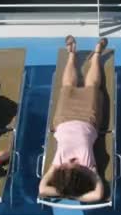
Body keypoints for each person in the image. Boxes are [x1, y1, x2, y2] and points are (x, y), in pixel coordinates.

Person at [39, 35, 107, 203]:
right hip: (88, 119)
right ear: (79, 174)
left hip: (63, 118)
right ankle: (97, 54)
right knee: (92, 86)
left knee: (67, 87)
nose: (70, 164)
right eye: (73, 170)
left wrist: (64, 193)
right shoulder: (88, 167)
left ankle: (72, 54)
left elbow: (42, 189)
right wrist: (77, 192)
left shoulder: (57, 165)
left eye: (66, 170)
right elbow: (98, 194)